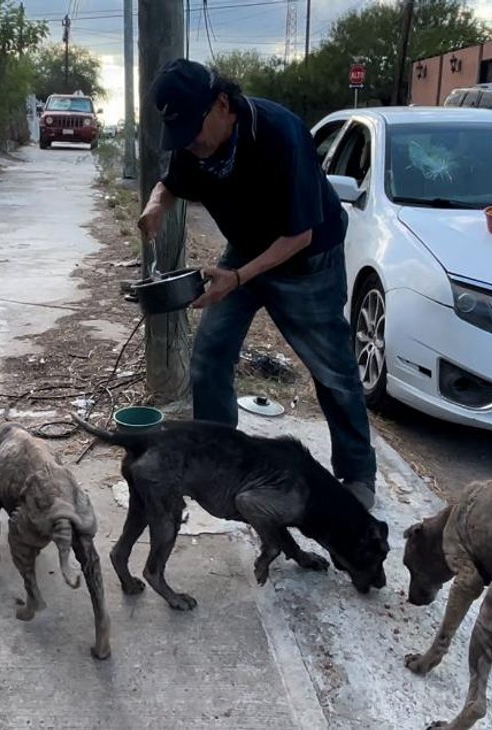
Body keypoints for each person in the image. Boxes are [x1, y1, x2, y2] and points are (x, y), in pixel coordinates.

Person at [136, 58, 379, 509]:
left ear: (222, 105)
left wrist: (239, 278)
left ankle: (358, 474)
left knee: (333, 371)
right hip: (244, 251)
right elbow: (169, 184)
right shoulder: (194, 143)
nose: (189, 143)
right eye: (181, 135)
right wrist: (155, 206)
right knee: (208, 358)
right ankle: (217, 464)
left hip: (306, 257)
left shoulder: (279, 135)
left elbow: (299, 234)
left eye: (193, 130)